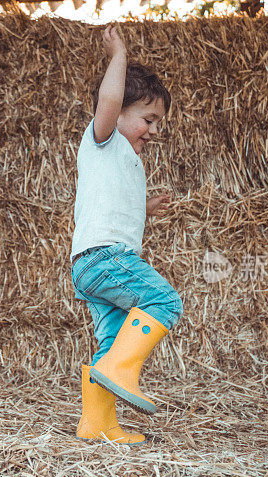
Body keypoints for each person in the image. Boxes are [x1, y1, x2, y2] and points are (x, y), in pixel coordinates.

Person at [71, 26, 183, 445]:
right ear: (116, 113)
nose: (153, 130)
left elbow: (115, 208)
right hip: (106, 258)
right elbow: (111, 98)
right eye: (148, 119)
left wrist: (146, 206)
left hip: (93, 264)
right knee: (164, 301)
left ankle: (96, 423)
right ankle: (121, 370)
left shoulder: (127, 161)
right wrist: (118, 53)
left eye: (159, 123)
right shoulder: (103, 139)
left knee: (111, 339)